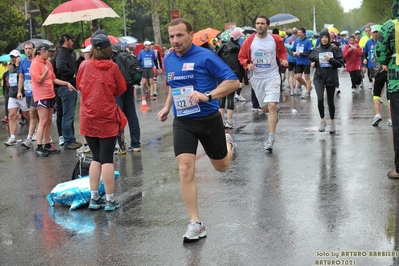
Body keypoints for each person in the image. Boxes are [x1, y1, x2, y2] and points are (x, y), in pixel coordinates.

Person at [157, 18, 239, 242]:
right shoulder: (169, 59)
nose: (175, 41)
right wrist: (166, 107)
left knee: (221, 167)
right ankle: (195, 223)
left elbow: (233, 83)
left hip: (208, 118)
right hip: (183, 121)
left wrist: (209, 95)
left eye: (180, 35)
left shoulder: (206, 57)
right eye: (172, 36)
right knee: (184, 168)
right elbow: (174, 86)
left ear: (190, 35)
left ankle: (228, 143)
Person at [76, 32, 127, 211]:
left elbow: (79, 85)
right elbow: (121, 89)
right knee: (107, 159)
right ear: (108, 49)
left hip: (88, 117)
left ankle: (94, 198)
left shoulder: (84, 65)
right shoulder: (112, 67)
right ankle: (110, 200)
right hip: (106, 117)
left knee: (96, 158)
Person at [238, 15, 288, 152]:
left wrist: (283, 60)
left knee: (271, 106)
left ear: (268, 25)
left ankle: (270, 139)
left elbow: (282, 52)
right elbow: (241, 56)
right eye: (258, 23)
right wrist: (247, 64)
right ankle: (274, 113)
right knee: (265, 109)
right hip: (256, 78)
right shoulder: (249, 41)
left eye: (262, 23)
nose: (260, 25)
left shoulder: (276, 39)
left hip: (272, 75)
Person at [30, 43, 74, 156]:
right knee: (43, 121)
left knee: (49, 120)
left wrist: (66, 83)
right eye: (48, 51)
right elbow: (38, 80)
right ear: (41, 52)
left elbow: (53, 79)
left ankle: (47, 144)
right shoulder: (35, 64)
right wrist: (45, 71)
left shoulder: (48, 63)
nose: (50, 53)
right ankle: (39, 147)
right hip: (41, 95)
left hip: (50, 94)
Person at [375, 0, 399, 179]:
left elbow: (380, 52)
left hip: (396, 81)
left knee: (398, 125)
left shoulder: (390, 26)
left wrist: (386, 61)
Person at [309, 30, 345, 134]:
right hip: (319, 78)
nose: (324, 39)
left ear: (329, 38)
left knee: (330, 102)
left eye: (326, 37)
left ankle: (332, 122)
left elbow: (340, 63)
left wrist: (330, 60)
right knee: (320, 99)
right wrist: (313, 64)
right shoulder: (316, 49)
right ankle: (322, 120)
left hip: (331, 78)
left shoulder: (333, 49)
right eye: (322, 37)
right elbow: (311, 58)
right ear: (320, 38)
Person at [55, 33, 81, 150]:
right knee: (68, 115)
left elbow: (71, 65)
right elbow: (60, 66)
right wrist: (72, 74)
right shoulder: (62, 53)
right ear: (66, 40)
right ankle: (68, 140)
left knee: (69, 115)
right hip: (66, 87)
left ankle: (71, 139)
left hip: (68, 87)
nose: (73, 42)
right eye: (71, 40)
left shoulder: (67, 53)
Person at [217, 29, 245, 128]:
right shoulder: (238, 48)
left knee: (222, 96)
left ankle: (220, 121)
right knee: (230, 97)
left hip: (222, 75)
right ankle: (229, 121)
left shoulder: (223, 47)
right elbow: (241, 62)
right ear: (237, 38)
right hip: (233, 75)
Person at [4, 50, 30, 146]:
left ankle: (34, 132)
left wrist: (18, 66)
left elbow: (21, 77)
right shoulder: (10, 68)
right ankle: (12, 137)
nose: (12, 59)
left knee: (27, 115)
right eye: (11, 57)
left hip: (22, 94)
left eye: (14, 57)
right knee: (12, 116)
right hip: (12, 95)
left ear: (19, 57)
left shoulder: (22, 66)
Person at [19, 42, 38, 148]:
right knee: (33, 115)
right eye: (26, 49)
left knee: (33, 114)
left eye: (30, 48)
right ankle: (42, 135)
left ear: (34, 49)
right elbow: (21, 77)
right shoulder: (23, 62)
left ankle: (30, 138)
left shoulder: (37, 61)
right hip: (28, 92)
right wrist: (19, 91)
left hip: (37, 92)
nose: (28, 50)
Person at [76, 45, 92, 154]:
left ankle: (87, 144)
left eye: (85, 52)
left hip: (87, 96)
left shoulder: (84, 64)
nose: (83, 54)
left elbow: (79, 82)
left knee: (85, 119)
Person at [292, 27, 313, 99]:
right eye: (298, 33)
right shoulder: (296, 41)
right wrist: (293, 52)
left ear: (304, 33)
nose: (298, 34)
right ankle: (308, 86)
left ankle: (308, 92)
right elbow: (292, 49)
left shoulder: (308, 41)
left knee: (307, 77)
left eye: (300, 33)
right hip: (298, 62)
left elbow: (310, 52)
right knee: (297, 77)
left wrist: (301, 54)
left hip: (306, 62)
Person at [363, 27, 379, 92]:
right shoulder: (368, 42)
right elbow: (364, 53)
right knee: (374, 80)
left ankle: (377, 94)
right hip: (371, 64)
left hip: (379, 65)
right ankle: (375, 91)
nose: (375, 34)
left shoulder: (381, 42)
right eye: (374, 32)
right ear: (372, 34)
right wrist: (364, 59)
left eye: (376, 32)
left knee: (379, 81)